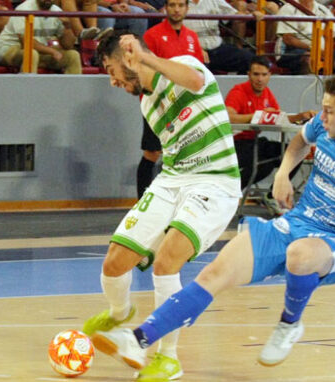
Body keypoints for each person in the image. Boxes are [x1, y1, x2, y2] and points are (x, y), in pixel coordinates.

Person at [88, 73, 335, 371]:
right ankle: (138, 339)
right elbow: (299, 141)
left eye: (329, 111)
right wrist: (282, 174)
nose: (322, 116)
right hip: (298, 221)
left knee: (300, 255)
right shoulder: (326, 123)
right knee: (215, 273)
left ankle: (289, 324)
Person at [83, 32, 241, 381]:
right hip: (173, 180)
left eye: (112, 70)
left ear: (129, 60)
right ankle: (120, 313)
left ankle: (167, 358)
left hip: (215, 182)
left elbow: (196, 81)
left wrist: (145, 58)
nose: (112, 81)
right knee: (114, 261)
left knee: (167, 263)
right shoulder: (146, 105)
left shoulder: (184, 66)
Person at [225, 55, 315, 214]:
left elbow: (279, 117)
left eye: (264, 74)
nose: (260, 79)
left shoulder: (267, 93)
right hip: (235, 144)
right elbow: (229, 117)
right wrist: (257, 115)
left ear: (269, 76)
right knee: (262, 163)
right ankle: (229, 195)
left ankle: (273, 194)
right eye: (256, 74)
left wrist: (301, 116)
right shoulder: (238, 91)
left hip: (256, 141)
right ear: (249, 75)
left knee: (293, 153)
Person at [136, 0, 204, 198]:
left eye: (181, 5)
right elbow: (144, 71)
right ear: (166, 7)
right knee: (152, 153)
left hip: (184, 106)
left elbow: (199, 73)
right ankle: (141, 202)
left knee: (184, 154)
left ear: (187, 8)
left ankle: (180, 201)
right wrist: (150, 102)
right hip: (158, 104)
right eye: (172, 5)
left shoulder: (192, 37)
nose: (176, 9)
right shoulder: (152, 35)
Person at [0, 0, 81, 74]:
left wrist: (68, 27)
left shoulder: (57, 11)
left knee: (73, 56)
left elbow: (68, 45)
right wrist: (52, 51)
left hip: (39, 51)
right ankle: (29, 92)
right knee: (31, 54)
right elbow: (27, 42)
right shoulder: (24, 9)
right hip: (8, 50)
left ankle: (73, 93)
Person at [275, 0, 335, 74]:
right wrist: (314, 49)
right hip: (290, 51)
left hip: (321, 51)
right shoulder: (288, 8)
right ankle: (310, 87)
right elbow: (288, 39)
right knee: (309, 58)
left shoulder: (322, 9)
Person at [183, 0, 255, 74]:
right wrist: (197, 48)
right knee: (200, 69)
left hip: (217, 49)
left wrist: (253, 15)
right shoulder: (179, 3)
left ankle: (240, 85)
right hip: (191, 50)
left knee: (249, 59)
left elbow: (234, 14)